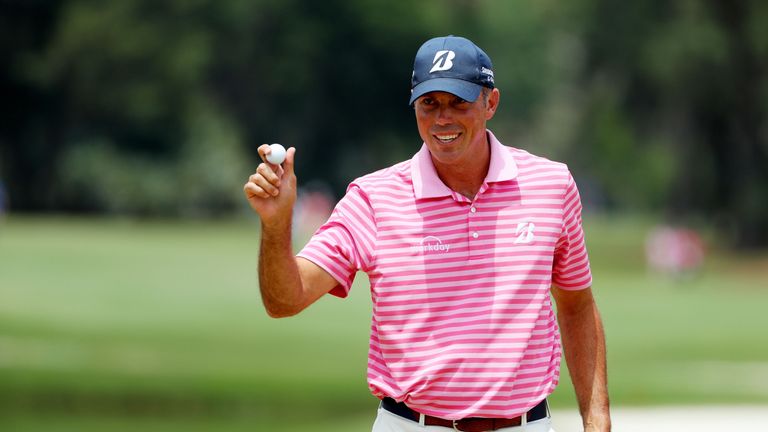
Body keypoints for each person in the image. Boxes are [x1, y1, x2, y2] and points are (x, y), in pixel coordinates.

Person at [244, 35, 611, 432]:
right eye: (429, 103)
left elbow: (576, 305)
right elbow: (286, 299)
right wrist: (277, 224)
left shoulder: (551, 186)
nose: (442, 119)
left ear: (491, 103)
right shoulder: (373, 198)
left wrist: (597, 419)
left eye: (459, 103)